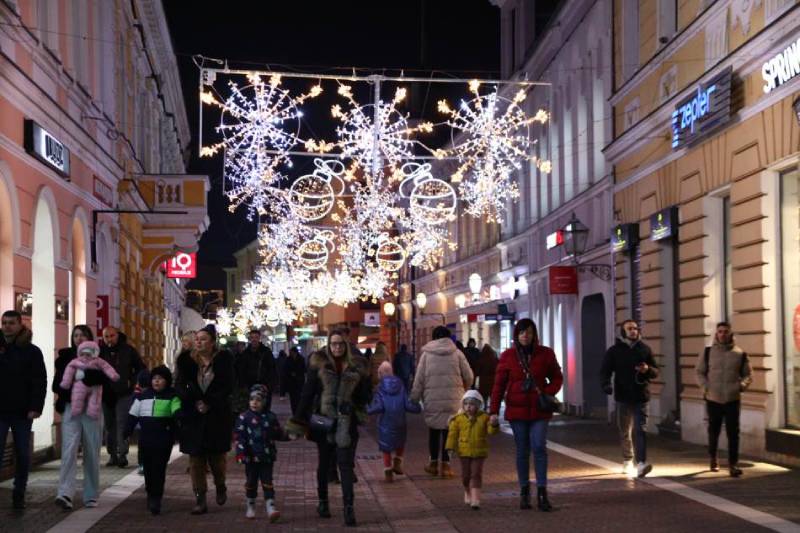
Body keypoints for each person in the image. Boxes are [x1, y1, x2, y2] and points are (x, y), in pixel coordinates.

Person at [286, 329, 371, 527]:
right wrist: (298, 420)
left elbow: (366, 394)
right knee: (324, 464)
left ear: (346, 344)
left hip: (347, 423)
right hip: (323, 422)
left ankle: (348, 508)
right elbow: (307, 394)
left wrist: (356, 405)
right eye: (334, 344)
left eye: (341, 344)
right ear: (328, 344)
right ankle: (323, 502)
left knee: (346, 465)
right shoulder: (318, 364)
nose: (337, 347)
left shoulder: (357, 366)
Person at [490, 318, 563, 511]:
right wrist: (493, 411)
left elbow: (557, 376)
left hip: (539, 409)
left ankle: (542, 492)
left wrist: (548, 391)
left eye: (529, 332)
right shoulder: (508, 356)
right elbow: (498, 385)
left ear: (534, 334)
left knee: (539, 447)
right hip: (517, 410)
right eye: (522, 332)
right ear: (517, 335)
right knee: (522, 450)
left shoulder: (545, 354)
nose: (525, 336)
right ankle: (524, 491)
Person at [175, 324, 235, 514]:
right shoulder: (186, 360)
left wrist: (209, 402)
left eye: (203, 339)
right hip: (193, 415)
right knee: (196, 460)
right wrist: (193, 401)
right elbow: (180, 384)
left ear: (212, 342)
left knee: (217, 459)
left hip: (217, 414)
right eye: (197, 339)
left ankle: (220, 485)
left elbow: (228, 385)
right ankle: (200, 498)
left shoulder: (224, 360)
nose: (198, 342)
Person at [54, 325, 108, 511]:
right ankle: (65, 493)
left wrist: (93, 378)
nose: (78, 338)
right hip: (71, 407)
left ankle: (91, 495)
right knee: (68, 450)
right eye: (75, 335)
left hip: (92, 409)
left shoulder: (100, 358)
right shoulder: (64, 358)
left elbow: (108, 382)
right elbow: (57, 385)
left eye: (82, 335)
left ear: (89, 338)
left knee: (92, 451)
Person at [411, 325, 473, 479]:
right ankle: (446, 466)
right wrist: (464, 388)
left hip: (432, 400)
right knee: (449, 433)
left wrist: (414, 398)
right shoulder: (457, 354)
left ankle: (433, 464)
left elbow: (419, 379)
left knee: (433, 432)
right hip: (454, 400)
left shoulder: (426, 355)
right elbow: (469, 376)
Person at [600, 319, 659, 479]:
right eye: (629, 328)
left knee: (641, 430)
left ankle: (641, 463)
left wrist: (647, 369)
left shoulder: (645, 349)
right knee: (625, 431)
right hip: (623, 396)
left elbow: (655, 371)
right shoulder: (614, 351)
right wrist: (606, 385)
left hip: (641, 396)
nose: (633, 331)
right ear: (623, 332)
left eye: (635, 328)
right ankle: (627, 459)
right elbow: (605, 370)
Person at [0, 310, 46, 510]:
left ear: (20, 324)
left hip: (22, 411)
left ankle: (19, 492)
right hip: (0, 410)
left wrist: (35, 407)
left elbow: (39, 381)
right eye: (4, 323)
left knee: (23, 453)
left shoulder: (31, 351)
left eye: (11, 323)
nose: (7, 326)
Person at [695, 321, 752, 477]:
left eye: (726, 331)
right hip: (713, 398)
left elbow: (748, 374)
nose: (723, 334)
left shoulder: (740, 354)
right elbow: (699, 372)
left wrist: (741, 386)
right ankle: (713, 458)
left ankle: (733, 464)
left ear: (730, 334)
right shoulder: (707, 352)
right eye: (720, 331)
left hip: (732, 398)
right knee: (713, 431)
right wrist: (705, 388)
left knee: (733, 433)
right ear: (716, 334)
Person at [124, 366, 181, 515]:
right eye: (154, 378)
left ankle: (156, 498)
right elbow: (132, 415)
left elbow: (177, 412)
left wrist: (179, 420)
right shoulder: (142, 396)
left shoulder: (172, 396)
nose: (157, 381)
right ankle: (150, 494)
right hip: (146, 439)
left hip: (163, 439)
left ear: (166, 381)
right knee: (148, 469)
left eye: (160, 378)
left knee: (159, 469)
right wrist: (127, 431)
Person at [234, 384, 290, 521]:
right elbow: (240, 437)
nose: (254, 402)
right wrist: (241, 453)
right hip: (250, 457)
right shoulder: (243, 418)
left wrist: (289, 436)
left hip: (266, 456)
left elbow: (277, 433)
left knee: (267, 481)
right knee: (251, 482)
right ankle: (250, 505)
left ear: (264, 401)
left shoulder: (270, 417)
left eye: (258, 399)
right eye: (252, 399)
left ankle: (270, 507)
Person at [367, 361, 421, 481]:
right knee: (400, 443)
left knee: (386, 447)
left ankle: (388, 471)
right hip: (400, 421)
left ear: (380, 374)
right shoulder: (401, 385)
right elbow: (407, 404)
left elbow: (379, 406)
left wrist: (367, 409)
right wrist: (418, 407)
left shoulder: (380, 388)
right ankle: (398, 462)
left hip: (385, 422)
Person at [446, 389, 499, 510]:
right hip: (463, 451)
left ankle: (476, 499)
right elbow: (452, 435)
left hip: (479, 451)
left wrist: (494, 424)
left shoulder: (484, 418)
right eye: (466, 404)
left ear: (478, 405)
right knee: (466, 475)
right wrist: (450, 448)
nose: (468, 407)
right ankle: (467, 491)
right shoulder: (458, 419)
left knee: (476, 474)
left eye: (472, 404)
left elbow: (491, 431)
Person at [100, 326, 145, 468]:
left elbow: (141, 367)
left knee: (121, 423)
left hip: (124, 393)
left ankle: (122, 455)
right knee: (109, 425)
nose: (109, 339)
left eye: (112, 336)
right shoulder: (100, 351)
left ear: (117, 335)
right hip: (106, 393)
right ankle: (112, 455)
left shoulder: (128, 350)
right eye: (106, 336)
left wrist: (131, 382)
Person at [60, 341, 119, 421]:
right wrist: (66, 382)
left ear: (93, 354)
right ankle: (76, 411)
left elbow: (107, 367)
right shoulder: (76, 361)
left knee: (95, 399)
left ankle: (93, 414)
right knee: (77, 396)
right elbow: (69, 371)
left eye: (88, 354)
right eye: (83, 354)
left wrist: (113, 375)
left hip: (95, 385)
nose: (85, 356)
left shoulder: (98, 361)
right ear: (79, 353)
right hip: (80, 383)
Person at [234, 330, 277, 413]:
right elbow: (241, 370)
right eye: (252, 337)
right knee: (251, 408)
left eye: (256, 337)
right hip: (249, 385)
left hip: (264, 384)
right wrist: (242, 384)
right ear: (249, 339)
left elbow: (272, 369)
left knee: (264, 408)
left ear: (259, 338)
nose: (254, 340)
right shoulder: (245, 353)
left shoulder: (266, 352)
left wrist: (270, 384)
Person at [134, 368, 152, 476]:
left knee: (142, 446)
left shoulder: (136, 395)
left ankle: (142, 465)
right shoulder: (153, 393)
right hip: (151, 425)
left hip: (141, 425)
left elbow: (132, 412)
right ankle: (145, 465)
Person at [282, 347, 306, 415]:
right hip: (291, 383)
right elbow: (285, 370)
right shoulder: (288, 359)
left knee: (298, 398)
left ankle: (298, 412)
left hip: (299, 382)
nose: (291, 353)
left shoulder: (301, 359)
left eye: (292, 352)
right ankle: (294, 412)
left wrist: (297, 374)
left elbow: (304, 369)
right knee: (293, 399)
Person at [474, 344, 498, 410]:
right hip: (492, 380)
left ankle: (484, 407)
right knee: (492, 396)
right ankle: (492, 408)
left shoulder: (481, 359)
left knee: (484, 396)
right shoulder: (494, 359)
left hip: (483, 381)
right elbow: (498, 369)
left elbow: (477, 371)